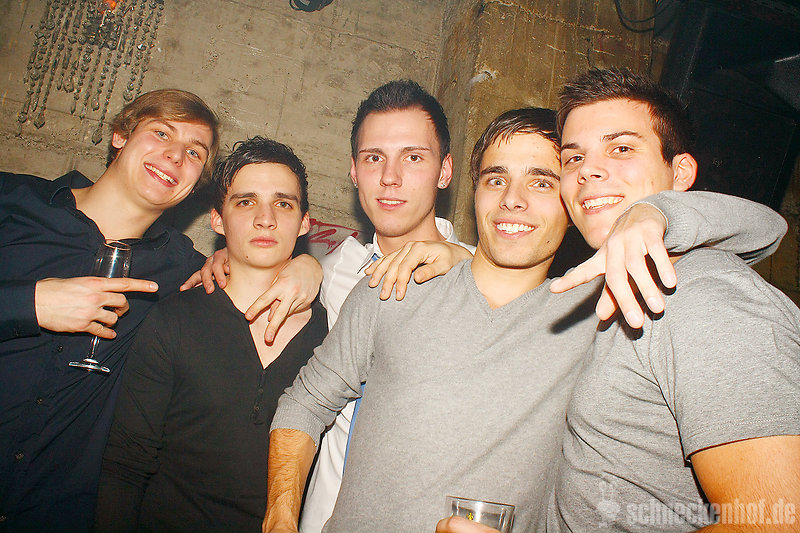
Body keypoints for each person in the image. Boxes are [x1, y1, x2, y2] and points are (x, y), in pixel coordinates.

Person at [262, 107, 784, 532]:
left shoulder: (601, 315)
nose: (512, 200)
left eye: (541, 183)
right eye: (496, 179)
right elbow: (305, 402)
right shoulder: (394, 286)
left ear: (573, 203)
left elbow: (765, 231)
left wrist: (656, 214)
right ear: (474, 193)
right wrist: (281, 518)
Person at [0, 90, 317, 532]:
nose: (175, 156)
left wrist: (307, 265)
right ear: (120, 135)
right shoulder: (12, 202)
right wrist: (29, 303)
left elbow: (252, 258)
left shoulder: (181, 270)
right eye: (162, 133)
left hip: (57, 513)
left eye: (195, 152)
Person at [546, 68, 800, 532]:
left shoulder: (711, 303)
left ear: (680, 172)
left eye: (621, 148)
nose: (587, 170)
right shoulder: (619, 291)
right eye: (573, 157)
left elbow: (776, 521)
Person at [93, 137, 328, 532]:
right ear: (218, 220)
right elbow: (125, 467)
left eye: (283, 204)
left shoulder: (332, 334)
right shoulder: (174, 320)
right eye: (246, 202)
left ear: (304, 222)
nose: (265, 219)